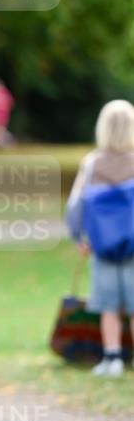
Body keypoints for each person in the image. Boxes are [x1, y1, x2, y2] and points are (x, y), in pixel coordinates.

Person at [66, 99, 134, 377]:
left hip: (102, 246)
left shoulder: (93, 164)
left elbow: (75, 205)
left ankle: (112, 357)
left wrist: (78, 236)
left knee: (108, 306)